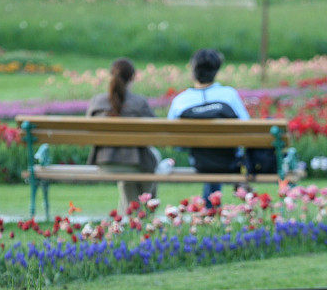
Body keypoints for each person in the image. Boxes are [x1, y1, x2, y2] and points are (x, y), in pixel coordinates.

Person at [167, 49, 250, 205]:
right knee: (218, 153)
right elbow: (246, 128)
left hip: (199, 162)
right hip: (228, 161)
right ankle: (214, 206)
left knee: (209, 155)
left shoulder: (181, 100)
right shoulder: (229, 95)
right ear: (216, 71)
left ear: (193, 71)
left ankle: (210, 208)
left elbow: (175, 141)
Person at [87, 58, 157, 213]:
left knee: (130, 168)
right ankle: (143, 210)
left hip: (105, 163)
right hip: (134, 164)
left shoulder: (97, 102)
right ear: (132, 78)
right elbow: (155, 131)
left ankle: (131, 213)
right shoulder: (139, 103)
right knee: (149, 161)